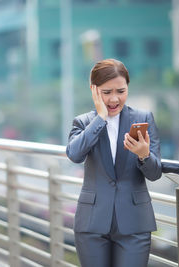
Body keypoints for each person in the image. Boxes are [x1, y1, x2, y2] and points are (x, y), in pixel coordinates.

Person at [66, 58, 162, 267]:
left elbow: (155, 174)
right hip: (92, 224)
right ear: (94, 90)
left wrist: (144, 155)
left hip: (134, 223)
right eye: (106, 92)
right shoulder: (83, 122)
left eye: (121, 91)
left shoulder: (143, 118)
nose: (114, 99)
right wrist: (100, 118)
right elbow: (74, 155)